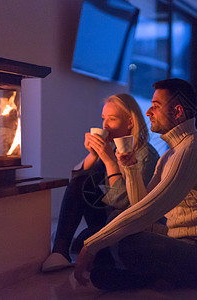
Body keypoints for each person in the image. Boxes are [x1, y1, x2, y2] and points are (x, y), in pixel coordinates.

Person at [74, 78, 197, 290]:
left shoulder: (190, 152)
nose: (148, 112)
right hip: (183, 241)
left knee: (126, 243)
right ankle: (138, 275)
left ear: (178, 111)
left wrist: (91, 248)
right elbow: (140, 205)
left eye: (156, 106)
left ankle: (142, 278)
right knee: (95, 234)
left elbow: (147, 212)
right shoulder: (172, 153)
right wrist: (131, 167)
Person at [42, 93, 159, 272]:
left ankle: (75, 241)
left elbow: (125, 204)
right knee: (83, 181)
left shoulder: (145, 155)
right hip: (109, 215)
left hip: (128, 223)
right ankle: (60, 250)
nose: (104, 126)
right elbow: (76, 182)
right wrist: (93, 154)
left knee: (84, 239)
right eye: (103, 118)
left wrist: (110, 162)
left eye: (111, 119)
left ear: (130, 122)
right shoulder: (112, 147)